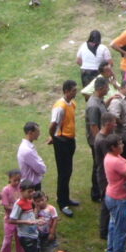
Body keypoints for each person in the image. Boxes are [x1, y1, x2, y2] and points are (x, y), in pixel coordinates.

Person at [49, 80, 80, 215]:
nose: (75, 92)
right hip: (62, 141)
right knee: (63, 172)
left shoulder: (72, 103)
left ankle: (66, 198)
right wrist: (54, 137)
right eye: (73, 90)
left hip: (70, 140)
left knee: (68, 171)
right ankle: (62, 202)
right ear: (66, 91)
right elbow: (53, 124)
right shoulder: (60, 106)